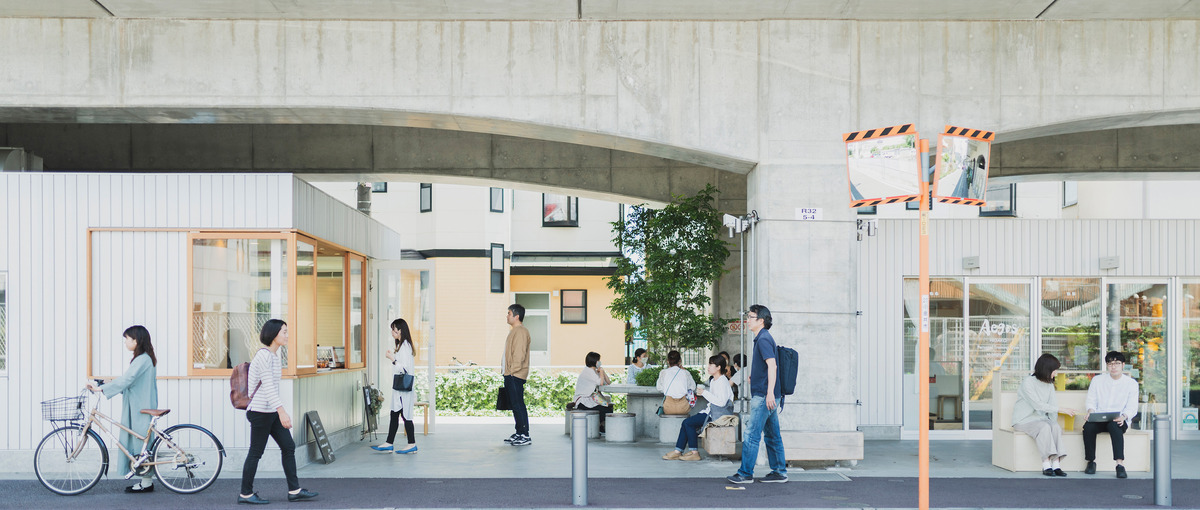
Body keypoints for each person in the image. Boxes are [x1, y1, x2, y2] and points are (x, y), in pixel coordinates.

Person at [238, 319, 318, 505]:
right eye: (284, 332)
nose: (287, 335)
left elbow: (273, 387)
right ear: (274, 335)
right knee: (256, 452)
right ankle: (245, 494)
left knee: (288, 446)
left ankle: (294, 490)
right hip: (260, 411)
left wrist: (278, 410)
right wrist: (282, 411)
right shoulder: (264, 357)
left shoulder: (274, 355)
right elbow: (267, 387)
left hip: (269, 411)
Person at [86, 325, 158, 493]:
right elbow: (128, 379)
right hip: (139, 404)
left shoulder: (142, 359)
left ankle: (146, 483)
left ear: (136, 340)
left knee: (141, 442)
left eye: (127, 338)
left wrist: (101, 389)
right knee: (140, 441)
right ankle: (146, 481)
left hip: (141, 406)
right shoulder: (144, 358)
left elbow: (128, 379)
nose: (125, 342)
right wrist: (106, 383)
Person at [727, 304, 787, 484]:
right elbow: (767, 365)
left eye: (751, 317)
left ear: (761, 320)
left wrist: (769, 393)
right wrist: (757, 375)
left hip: (764, 396)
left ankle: (745, 473)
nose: (748, 320)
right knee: (772, 435)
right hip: (767, 394)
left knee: (751, 434)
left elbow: (773, 365)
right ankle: (779, 471)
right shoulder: (762, 338)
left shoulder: (763, 339)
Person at [1012, 353, 1076, 477]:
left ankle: (1056, 464)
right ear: (1047, 369)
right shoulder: (1028, 382)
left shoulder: (1049, 384)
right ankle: (1046, 464)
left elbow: (1052, 405)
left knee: (1055, 427)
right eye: (1054, 370)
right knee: (1044, 427)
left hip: (1041, 419)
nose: (1055, 374)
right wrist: (1062, 409)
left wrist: (1053, 422)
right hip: (1023, 420)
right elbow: (1038, 405)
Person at [664, 355, 734, 461]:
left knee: (688, 423)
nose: (708, 366)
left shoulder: (722, 381)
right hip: (711, 412)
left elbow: (721, 402)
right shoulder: (714, 381)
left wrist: (705, 393)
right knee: (686, 422)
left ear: (718, 367)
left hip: (719, 415)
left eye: (711, 364)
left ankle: (694, 453)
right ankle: (678, 451)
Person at [1083, 351, 1139, 479]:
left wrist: (1124, 416)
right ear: (1107, 365)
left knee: (1115, 427)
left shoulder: (1131, 384)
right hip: (1099, 418)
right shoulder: (1097, 380)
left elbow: (1132, 407)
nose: (1113, 366)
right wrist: (1090, 411)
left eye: (1117, 363)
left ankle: (1120, 465)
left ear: (1123, 365)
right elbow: (1091, 400)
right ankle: (1090, 462)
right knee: (1088, 427)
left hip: (1118, 419)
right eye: (1110, 363)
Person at [371, 318, 418, 454]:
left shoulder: (405, 347)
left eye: (394, 329)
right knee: (395, 414)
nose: (392, 332)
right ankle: (389, 443)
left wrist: (392, 359)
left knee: (405, 415)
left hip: (403, 389)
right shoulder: (403, 346)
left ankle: (411, 444)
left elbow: (404, 369)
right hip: (400, 389)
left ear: (400, 331)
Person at [502, 304, 532, 446]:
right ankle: (519, 432)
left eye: (509, 313)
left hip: (515, 374)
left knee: (518, 404)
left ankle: (524, 435)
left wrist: (512, 372)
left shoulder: (520, 331)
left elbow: (519, 355)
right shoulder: (515, 331)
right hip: (511, 374)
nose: (507, 316)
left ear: (516, 316)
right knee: (515, 404)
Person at [572, 352, 613, 432]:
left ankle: (600, 426)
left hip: (590, 400)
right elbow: (600, 383)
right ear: (594, 361)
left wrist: (602, 371)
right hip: (582, 401)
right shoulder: (588, 371)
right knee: (605, 411)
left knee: (608, 408)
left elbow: (607, 382)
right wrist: (601, 372)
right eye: (598, 360)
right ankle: (599, 427)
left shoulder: (593, 371)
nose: (599, 362)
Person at [656, 350, 696, 415]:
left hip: (668, 407)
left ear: (668, 361)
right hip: (683, 407)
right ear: (680, 361)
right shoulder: (685, 373)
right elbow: (693, 387)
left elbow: (659, 388)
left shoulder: (663, 372)